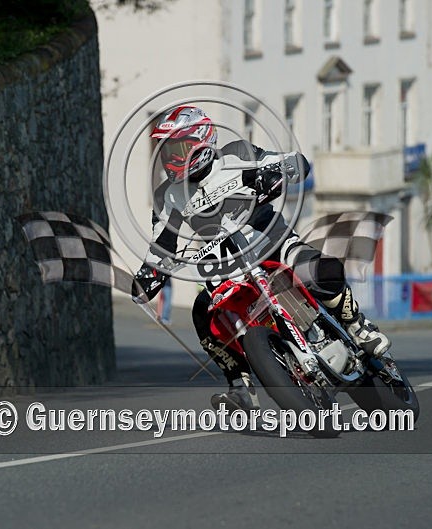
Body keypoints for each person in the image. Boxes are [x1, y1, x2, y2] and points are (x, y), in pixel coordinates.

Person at [131, 105, 389, 411]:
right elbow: (163, 244)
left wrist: (279, 173)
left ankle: (356, 323)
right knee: (202, 311)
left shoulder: (237, 154)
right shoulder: (167, 196)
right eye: (165, 150)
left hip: (271, 241)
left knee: (316, 268)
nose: (170, 157)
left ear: (201, 138)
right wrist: (148, 277)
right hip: (226, 266)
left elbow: (291, 163)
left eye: (177, 148)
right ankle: (240, 386)